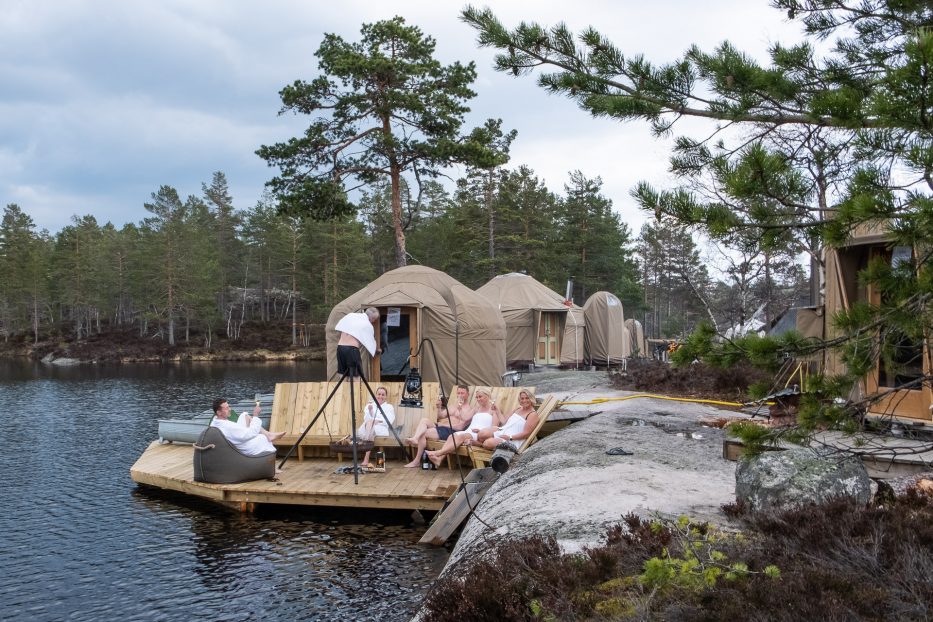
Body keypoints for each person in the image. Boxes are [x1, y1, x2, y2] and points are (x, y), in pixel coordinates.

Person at [425, 387, 502, 468]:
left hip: (479, 434)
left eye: (480, 397)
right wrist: (460, 409)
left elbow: (494, 428)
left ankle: (438, 453)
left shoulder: (493, 410)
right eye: (477, 397)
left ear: (487, 396)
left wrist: (481, 431)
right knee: (452, 436)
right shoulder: (477, 409)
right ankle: (440, 459)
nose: (478, 399)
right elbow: (465, 418)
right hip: (469, 431)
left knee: (461, 436)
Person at [403, 385, 475, 468]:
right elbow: (440, 416)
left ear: (468, 394)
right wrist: (439, 407)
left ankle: (416, 461)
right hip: (442, 427)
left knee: (423, 433)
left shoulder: (469, 410)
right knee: (424, 420)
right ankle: (415, 438)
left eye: (462, 393)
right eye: (458, 393)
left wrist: (443, 424)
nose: (460, 395)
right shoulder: (452, 406)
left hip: (450, 431)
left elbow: (461, 428)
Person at [210, 398, 285, 467]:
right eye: (226, 408)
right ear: (219, 412)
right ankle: (271, 467)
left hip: (235, 438)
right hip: (243, 447)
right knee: (262, 438)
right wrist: (256, 415)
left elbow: (236, 431)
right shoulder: (228, 426)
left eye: (229, 406)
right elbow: (250, 434)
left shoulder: (215, 421)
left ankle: (268, 434)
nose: (230, 409)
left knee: (244, 416)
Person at [355, 386, 395, 466]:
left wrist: (377, 421)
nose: (380, 396)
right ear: (376, 395)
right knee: (370, 426)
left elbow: (389, 421)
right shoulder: (370, 405)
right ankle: (368, 458)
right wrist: (370, 411)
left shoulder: (389, 407)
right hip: (367, 428)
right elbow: (366, 419)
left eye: (383, 395)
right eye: (379, 394)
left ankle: (366, 459)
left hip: (381, 428)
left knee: (371, 429)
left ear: (386, 396)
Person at [335, 307, 380, 378]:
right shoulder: (367, 324)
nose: (374, 321)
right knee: (356, 377)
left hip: (340, 348)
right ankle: (355, 389)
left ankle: (345, 388)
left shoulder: (351, 316)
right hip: (351, 350)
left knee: (342, 375)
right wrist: (377, 349)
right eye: (374, 319)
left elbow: (339, 326)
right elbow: (371, 342)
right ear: (371, 318)